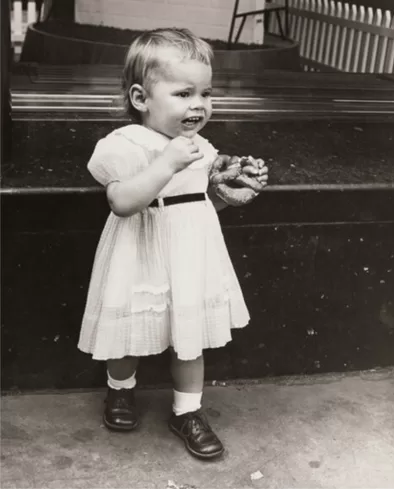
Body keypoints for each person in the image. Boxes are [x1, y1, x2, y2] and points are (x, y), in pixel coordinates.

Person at [78, 27, 268, 460]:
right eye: (183, 93)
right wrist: (165, 163)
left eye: (206, 93)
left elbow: (195, 205)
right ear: (141, 98)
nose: (198, 104)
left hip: (188, 255)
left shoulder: (201, 147)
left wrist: (227, 195)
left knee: (190, 337)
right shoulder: (124, 145)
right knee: (127, 335)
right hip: (138, 253)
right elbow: (122, 203)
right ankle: (120, 391)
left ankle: (187, 410)